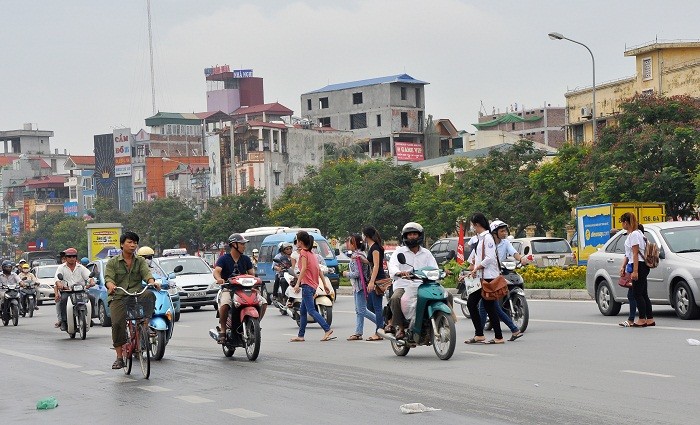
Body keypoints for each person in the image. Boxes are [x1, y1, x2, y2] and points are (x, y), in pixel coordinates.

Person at [104, 231, 158, 370]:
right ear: (122, 244)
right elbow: (108, 278)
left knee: (150, 295)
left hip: (136, 294)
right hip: (119, 296)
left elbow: (147, 274)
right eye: (129, 242)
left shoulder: (140, 261)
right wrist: (111, 286)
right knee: (117, 324)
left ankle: (145, 325)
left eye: (135, 243)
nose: (133, 245)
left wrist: (152, 282)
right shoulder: (113, 262)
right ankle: (119, 357)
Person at [386, 222, 438, 340]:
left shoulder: (426, 253)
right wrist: (399, 272)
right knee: (395, 298)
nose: (412, 237)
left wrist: (440, 272)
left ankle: (444, 319)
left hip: (422, 285)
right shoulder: (399, 252)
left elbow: (434, 267)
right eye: (409, 234)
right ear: (405, 236)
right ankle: (400, 327)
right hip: (404, 284)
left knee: (446, 294)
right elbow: (392, 266)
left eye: (415, 234)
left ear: (420, 235)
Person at [475, 220, 526, 341]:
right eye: (502, 231)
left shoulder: (505, 243)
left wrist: (521, 259)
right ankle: (481, 333)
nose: (505, 233)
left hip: (494, 276)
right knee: (486, 305)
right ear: (494, 233)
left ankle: (481, 334)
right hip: (489, 276)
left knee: (488, 305)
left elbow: (514, 253)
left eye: (505, 230)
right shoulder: (489, 242)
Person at [213, 233, 263, 344]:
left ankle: (254, 325)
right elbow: (216, 271)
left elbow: (252, 274)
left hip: (245, 289)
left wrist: (256, 282)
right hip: (229, 289)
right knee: (225, 304)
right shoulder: (224, 259)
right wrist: (219, 279)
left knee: (262, 302)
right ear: (234, 245)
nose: (244, 246)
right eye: (242, 244)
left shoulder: (246, 259)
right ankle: (223, 330)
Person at [465, 213, 505, 344]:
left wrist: (478, 267)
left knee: (487, 306)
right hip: (480, 277)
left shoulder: (487, 238)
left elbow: (490, 257)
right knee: (476, 304)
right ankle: (481, 334)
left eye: (472, 225)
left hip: (488, 277)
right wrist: (473, 268)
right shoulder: (480, 238)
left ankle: (496, 336)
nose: (472, 227)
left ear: (477, 224)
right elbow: (477, 256)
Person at [289, 230, 334, 342]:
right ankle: (301, 336)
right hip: (313, 285)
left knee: (311, 310)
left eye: (297, 240)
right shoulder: (312, 254)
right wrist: (324, 284)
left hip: (307, 286)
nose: (297, 243)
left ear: (300, 241)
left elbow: (303, 269)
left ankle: (327, 329)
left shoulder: (304, 253)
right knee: (303, 311)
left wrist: (298, 283)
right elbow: (319, 270)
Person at [619, 213, 654, 327]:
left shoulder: (634, 234)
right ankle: (650, 319)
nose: (622, 225)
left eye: (622, 222)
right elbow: (630, 254)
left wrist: (635, 271)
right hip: (642, 265)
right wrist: (624, 266)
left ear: (626, 222)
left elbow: (635, 253)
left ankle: (642, 319)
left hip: (638, 265)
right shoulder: (638, 233)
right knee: (643, 294)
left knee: (637, 294)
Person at [344, 234, 376, 341]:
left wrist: (347, 274)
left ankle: (382, 323)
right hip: (357, 286)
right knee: (359, 310)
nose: (348, 244)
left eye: (350, 242)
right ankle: (358, 332)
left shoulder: (357, 256)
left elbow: (357, 273)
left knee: (362, 310)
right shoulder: (360, 254)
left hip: (360, 286)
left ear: (355, 243)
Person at [55, 247, 95, 331]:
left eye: (73, 256)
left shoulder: (81, 267)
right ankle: (64, 321)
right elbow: (57, 279)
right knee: (63, 300)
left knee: (91, 298)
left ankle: (90, 318)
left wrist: (91, 281)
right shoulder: (61, 268)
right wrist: (59, 284)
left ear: (76, 258)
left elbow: (88, 276)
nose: (71, 258)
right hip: (67, 291)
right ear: (65, 258)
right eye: (69, 256)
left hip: (80, 291)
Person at [362, 225, 386, 341]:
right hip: (374, 279)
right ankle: (386, 321)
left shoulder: (375, 248)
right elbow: (371, 261)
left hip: (378, 279)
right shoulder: (372, 247)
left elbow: (376, 265)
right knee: (370, 306)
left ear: (366, 236)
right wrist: (363, 260)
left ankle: (379, 331)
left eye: (363, 234)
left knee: (376, 306)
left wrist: (372, 282)